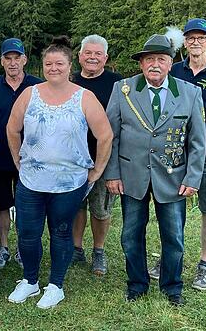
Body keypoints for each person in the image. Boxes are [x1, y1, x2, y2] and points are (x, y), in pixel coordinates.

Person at [6, 36, 113, 309]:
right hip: (31, 179)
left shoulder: (84, 97)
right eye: (49, 63)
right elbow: (12, 129)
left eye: (59, 63)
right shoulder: (29, 94)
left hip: (69, 182)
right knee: (27, 232)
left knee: (61, 233)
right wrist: (19, 161)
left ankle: (56, 285)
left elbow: (105, 135)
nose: (54, 68)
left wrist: (97, 169)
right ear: (42, 66)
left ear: (69, 66)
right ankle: (30, 281)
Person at [103, 33, 206, 306]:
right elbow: (110, 136)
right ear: (141, 64)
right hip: (131, 175)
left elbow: (198, 141)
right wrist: (112, 173)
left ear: (171, 64)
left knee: (174, 236)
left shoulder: (190, 93)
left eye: (161, 59)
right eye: (149, 59)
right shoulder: (122, 90)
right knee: (130, 235)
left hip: (172, 178)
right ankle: (137, 284)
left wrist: (193, 177)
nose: (155, 65)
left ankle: (172, 287)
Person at [147, 18, 206, 291]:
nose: (196, 42)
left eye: (201, 37)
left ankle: (204, 266)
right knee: (172, 211)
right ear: (184, 42)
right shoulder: (174, 71)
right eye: (191, 38)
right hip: (176, 155)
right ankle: (168, 259)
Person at [0, 38, 43, 269]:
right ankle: (3, 247)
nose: (13, 63)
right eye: (8, 58)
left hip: (31, 157)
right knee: (2, 204)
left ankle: (23, 249)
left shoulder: (37, 86)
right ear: (2, 61)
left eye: (17, 58)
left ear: (25, 60)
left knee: (28, 205)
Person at [70, 34, 123, 276]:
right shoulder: (68, 80)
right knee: (76, 206)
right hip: (72, 158)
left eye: (97, 54)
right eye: (87, 53)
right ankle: (76, 248)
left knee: (101, 209)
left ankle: (99, 251)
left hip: (103, 156)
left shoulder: (117, 84)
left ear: (105, 58)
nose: (92, 57)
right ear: (79, 56)